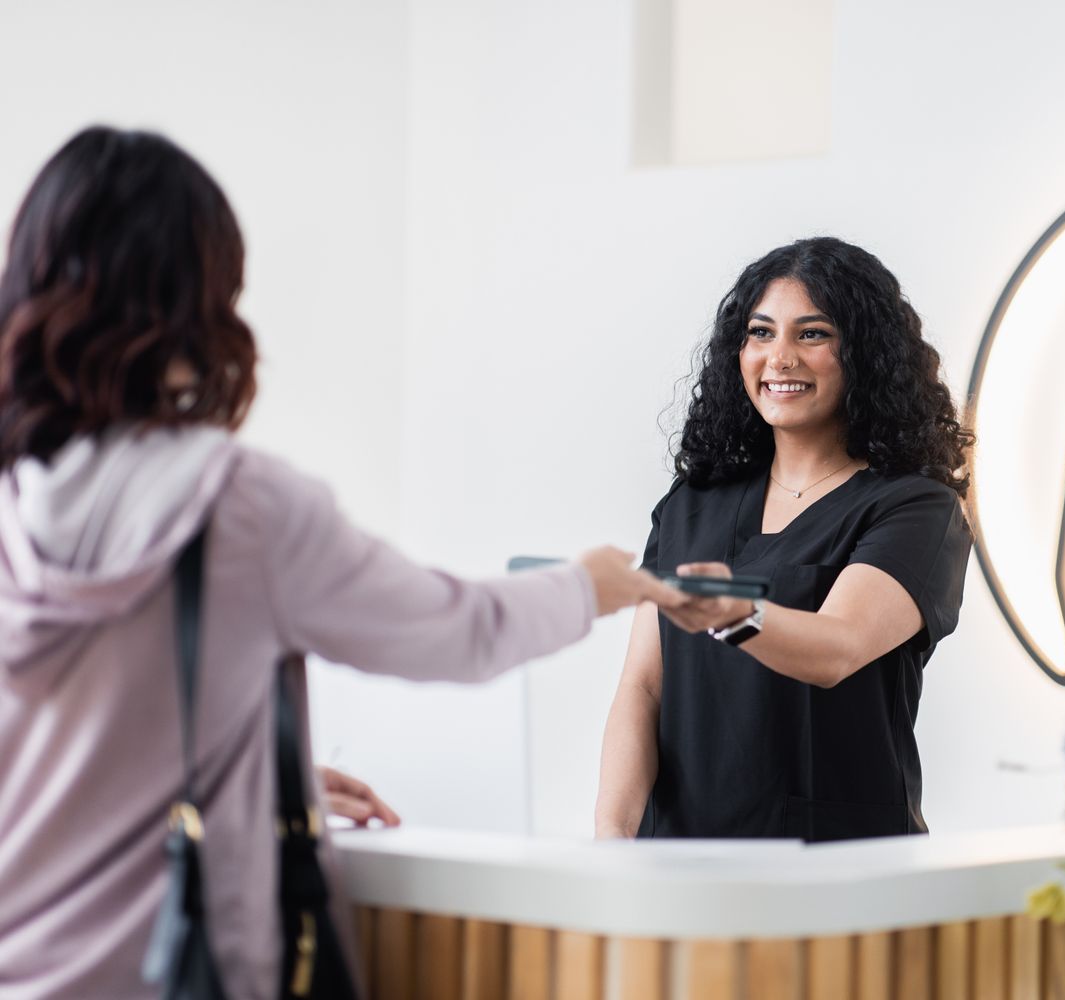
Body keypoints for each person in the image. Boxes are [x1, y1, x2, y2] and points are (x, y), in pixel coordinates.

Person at [0, 126, 689, 999]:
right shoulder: (234, 510)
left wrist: (243, 774)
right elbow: (456, 633)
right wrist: (589, 587)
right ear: (199, 302)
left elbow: (57, 754)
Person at [594, 237, 974, 843]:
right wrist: (613, 840)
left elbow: (837, 649)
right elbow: (643, 686)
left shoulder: (915, 508)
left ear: (866, 353)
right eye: (761, 332)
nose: (780, 358)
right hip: (678, 862)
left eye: (813, 334)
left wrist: (735, 612)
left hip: (839, 867)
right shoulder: (691, 505)